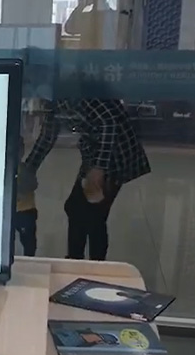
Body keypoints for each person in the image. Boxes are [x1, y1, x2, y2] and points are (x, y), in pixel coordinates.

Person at [24, 98, 150, 261]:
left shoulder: (73, 95)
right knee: (77, 208)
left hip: (115, 154)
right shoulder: (56, 102)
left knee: (93, 214)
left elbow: (109, 123)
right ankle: (77, 260)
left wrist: (99, 168)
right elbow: (47, 136)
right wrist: (28, 168)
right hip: (95, 154)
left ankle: (92, 263)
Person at [15, 137, 38, 257]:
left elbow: (33, 185)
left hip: (25, 211)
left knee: (29, 243)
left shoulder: (25, 169)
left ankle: (30, 261)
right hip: (12, 211)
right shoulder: (3, 167)